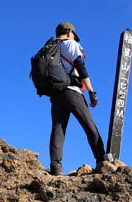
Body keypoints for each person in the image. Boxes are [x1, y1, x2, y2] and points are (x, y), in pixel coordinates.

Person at [47, 22, 112, 176]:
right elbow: (80, 67)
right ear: (70, 33)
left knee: (58, 129)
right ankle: (102, 162)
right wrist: (91, 92)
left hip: (56, 95)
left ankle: (55, 167)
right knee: (90, 127)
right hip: (73, 92)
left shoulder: (51, 47)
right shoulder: (71, 44)